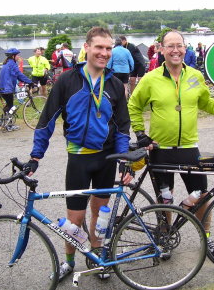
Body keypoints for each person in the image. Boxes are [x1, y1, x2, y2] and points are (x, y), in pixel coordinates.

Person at [23, 27, 132, 282]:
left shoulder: (115, 84)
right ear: (87, 47)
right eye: (99, 48)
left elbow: (122, 128)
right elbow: (47, 119)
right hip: (79, 158)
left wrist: (124, 161)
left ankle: (97, 259)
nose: (104, 53)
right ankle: (69, 261)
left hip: (105, 159)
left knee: (101, 214)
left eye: (108, 49)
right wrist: (35, 157)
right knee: (75, 219)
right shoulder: (67, 81)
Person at [127, 30, 214, 260]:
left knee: (202, 196)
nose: (175, 50)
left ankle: (206, 238)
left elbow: (206, 101)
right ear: (162, 49)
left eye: (179, 45)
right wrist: (140, 134)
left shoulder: (196, 76)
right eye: (170, 46)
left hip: (189, 147)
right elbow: (134, 105)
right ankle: (164, 238)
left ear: (185, 48)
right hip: (161, 150)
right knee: (164, 201)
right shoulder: (151, 78)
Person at [0, 48, 33, 131]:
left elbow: (16, 75)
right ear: (13, 56)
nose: (19, 57)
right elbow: (19, 75)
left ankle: (2, 121)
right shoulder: (12, 64)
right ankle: (8, 125)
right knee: (10, 106)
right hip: (7, 88)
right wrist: (30, 82)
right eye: (18, 55)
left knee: (8, 105)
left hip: (3, 87)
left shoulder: (7, 63)